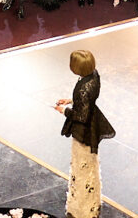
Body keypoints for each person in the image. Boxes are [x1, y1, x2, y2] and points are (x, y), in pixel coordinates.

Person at [55, 50, 114, 218]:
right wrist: (71, 100)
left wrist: (63, 110)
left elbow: (81, 116)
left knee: (81, 165)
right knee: (89, 165)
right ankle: (91, 201)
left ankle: (81, 208)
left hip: (84, 132)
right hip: (93, 124)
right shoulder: (94, 75)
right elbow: (86, 101)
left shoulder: (83, 89)